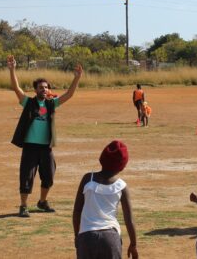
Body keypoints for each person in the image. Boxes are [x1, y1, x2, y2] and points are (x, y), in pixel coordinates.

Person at [8, 54, 83, 218]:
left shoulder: (51, 104)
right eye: (41, 87)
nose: (44, 89)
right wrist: (12, 69)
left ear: (49, 90)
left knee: (49, 175)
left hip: (45, 147)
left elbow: (69, 94)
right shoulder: (28, 103)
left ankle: (42, 201)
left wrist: (76, 78)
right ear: (35, 90)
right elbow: (16, 88)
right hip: (30, 146)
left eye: (46, 87)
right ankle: (23, 205)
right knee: (26, 177)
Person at [72, 140, 138, 259]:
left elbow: (77, 212)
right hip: (110, 239)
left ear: (102, 158)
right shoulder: (121, 187)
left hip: (87, 237)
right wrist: (133, 244)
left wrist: (77, 236)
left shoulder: (88, 179)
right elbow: (129, 220)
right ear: (122, 166)